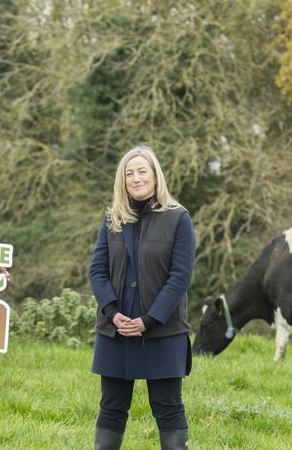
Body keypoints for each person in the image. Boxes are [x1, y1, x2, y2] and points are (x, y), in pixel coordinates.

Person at [89, 145, 196, 450]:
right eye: (129, 173)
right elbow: (97, 271)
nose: (136, 178)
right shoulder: (112, 219)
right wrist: (112, 313)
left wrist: (149, 320)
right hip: (116, 330)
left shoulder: (178, 218)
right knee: (111, 406)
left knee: (168, 407)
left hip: (163, 331)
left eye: (142, 171)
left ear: (155, 176)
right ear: (122, 181)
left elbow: (180, 277)